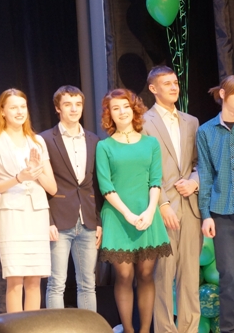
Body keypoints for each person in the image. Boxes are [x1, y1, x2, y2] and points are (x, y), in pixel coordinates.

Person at [96, 88, 172, 333]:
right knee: (124, 276)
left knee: (146, 275)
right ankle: (128, 330)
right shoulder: (104, 146)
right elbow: (105, 185)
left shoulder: (151, 143)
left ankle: (145, 330)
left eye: (125, 106)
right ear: (109, 114)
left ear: (134, 109)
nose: (122, 112)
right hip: (118, 217)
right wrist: (127, 214)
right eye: (115, 108)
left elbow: (155, 180)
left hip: (148, 214)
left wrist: (150, 211)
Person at [0, 89, 57, 313]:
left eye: (22, 107)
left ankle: (32, 327)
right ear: (2, 111)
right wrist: (18, 178)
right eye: (13, 107)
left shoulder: (37, 141)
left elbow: (52, 188)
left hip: (37, 212)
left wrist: (36, 172)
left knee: (34, 279)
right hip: (11, 213)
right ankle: (15, 327)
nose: (19, 112)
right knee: (15, 279)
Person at [142, 67, 200, 333]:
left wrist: (194, 182)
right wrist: (163, 204)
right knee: (163, 277)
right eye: (167, 83)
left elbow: (200, 163)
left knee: (190, 277)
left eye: (175, 82)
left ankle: (190, 329)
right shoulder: (144, 122)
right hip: (161, 209)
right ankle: (165, 330)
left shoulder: (191, 121)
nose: (174, 87)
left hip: (191, 206)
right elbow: (145, 169)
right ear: (153, 89)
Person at [40, 85, 101, 311]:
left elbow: (96, 185)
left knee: (88, 284)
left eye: (78, 104)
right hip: (58, 220)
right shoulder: (45, 139)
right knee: (56, 283)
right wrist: (47, 221)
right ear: (58, 108)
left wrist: (98, 221)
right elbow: (39, 186)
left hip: (87, 220)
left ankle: (89, 327)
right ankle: (56, 327)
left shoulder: (94, 140)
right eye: (67, 104)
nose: (74, 109)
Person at [198, 75, 234, 333]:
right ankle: (230, 329)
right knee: (229, 275)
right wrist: (205, 215)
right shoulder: (206, 131)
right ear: (223, 94)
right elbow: (204, 174)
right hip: (222, 211)